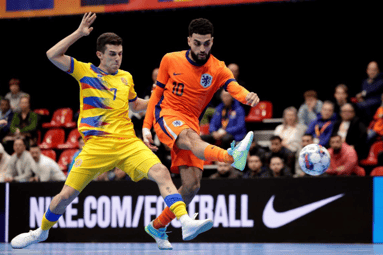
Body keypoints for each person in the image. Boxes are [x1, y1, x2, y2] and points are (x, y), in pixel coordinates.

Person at [11, 12, 213, 250]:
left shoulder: (126, 77)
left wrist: (161, 97)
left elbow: (135, 104)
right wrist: (78, 33)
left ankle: (184, 220)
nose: (117, 59)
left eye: (120, 54)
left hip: (128, 142)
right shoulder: (85, 72)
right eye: (112, 54)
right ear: (99, 54)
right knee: (65, 197)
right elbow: (52, 54)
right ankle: (41, 231)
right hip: (96, 146)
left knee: (161, 172)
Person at [142, 18, 259, 249]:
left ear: (212, 41)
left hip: (191, 122)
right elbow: (156, 95)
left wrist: (248, 97)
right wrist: (146, 126)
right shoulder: (170, 59)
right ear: (188, 41)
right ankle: (231, 156)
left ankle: (157, 225)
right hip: (167, 115)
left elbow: (233, 87)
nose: (202, 49)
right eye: (197, 43)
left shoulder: (217, 68)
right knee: (190, 139)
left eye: (206, 44)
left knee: (192, 185)